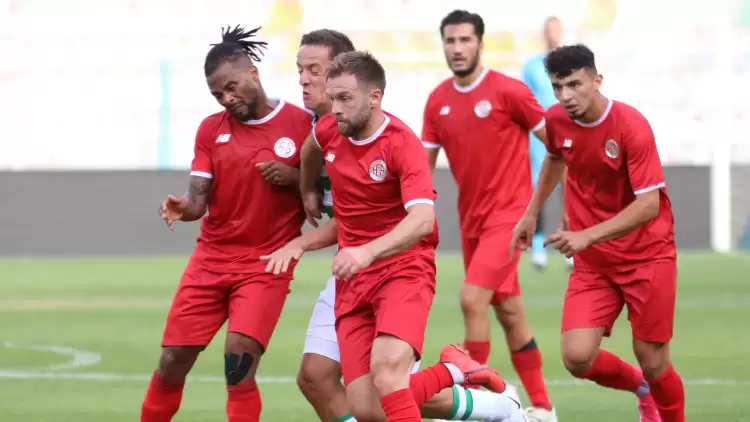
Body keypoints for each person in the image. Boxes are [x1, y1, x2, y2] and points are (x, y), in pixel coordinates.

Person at [268, 29, 528, 422]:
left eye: (345, 99)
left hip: (402, 269)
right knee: (367, 409)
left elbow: (423, 219)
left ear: (374, 97)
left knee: (389, 376)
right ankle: (457, 373)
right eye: (332, 99)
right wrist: (306, 189)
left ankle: (472, 384)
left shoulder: (402, 144)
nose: (335, 109)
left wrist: (366, 251)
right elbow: (311, 147)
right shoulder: (329, 130)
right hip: (354, 281)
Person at [141, 26, 313, 422]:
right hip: (211, 260)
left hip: (266, 264)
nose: (227, 99)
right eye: (218, 94)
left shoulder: (303, 123)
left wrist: (294, 177)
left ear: (253, 72)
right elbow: (198, 202)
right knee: (172, 360)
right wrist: (182, 207)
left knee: (238, 362)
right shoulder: (210, 130)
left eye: (231, 87)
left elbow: (326, 186)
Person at [511, 44, 685, 422]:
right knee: (576, 357)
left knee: (654, 361)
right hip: (595, 262)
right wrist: (532, 212)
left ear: (597, 80)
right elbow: (555, 156)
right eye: (558, 87)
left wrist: (587, 235)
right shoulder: (556, 119)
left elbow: (648, 205)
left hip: (647, 255)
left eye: (574, 84)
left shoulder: (631, 126)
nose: (566, 96)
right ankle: (642, 390)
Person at [421, 10, 556, 422]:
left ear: (480, 43)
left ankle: (478, 405)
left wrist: (543, 207)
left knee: (471, 299)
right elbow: (421, 170)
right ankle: (543, 408)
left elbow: (558, 145)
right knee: (509, 311)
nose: (457, 48)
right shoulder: (437, 101)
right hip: (472, 223)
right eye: (450, 41)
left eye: (465, 39)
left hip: (511, 220)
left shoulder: (509, 91)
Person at [521, 16, 573, 271]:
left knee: (570, 190)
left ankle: (570, 247)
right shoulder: (532, 66)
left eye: (556, 29)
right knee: (538, 189)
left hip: (570, 133)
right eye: (548, 30)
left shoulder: (573, 63)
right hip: (539, 136)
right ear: (544, 33)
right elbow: (525, 100)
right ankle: (538, 249)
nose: (552, 34)